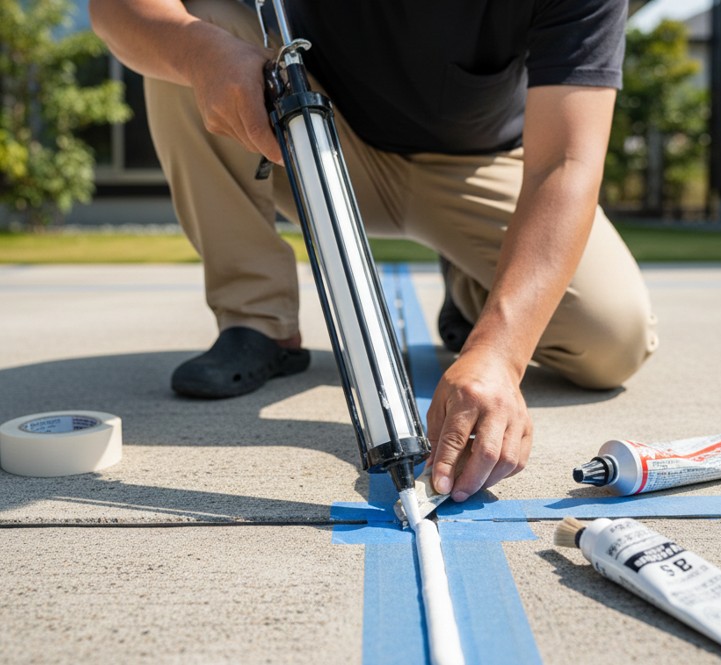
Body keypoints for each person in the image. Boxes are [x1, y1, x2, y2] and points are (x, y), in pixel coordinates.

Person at [89, 0, 658, 503]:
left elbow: (565, 162)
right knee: (195, 27)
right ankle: (257, 320)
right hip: (314, 131)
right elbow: (116, 8)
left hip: (482, 167)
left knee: (611, 339)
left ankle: (475, 286)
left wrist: (500, 352)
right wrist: (195, 53)